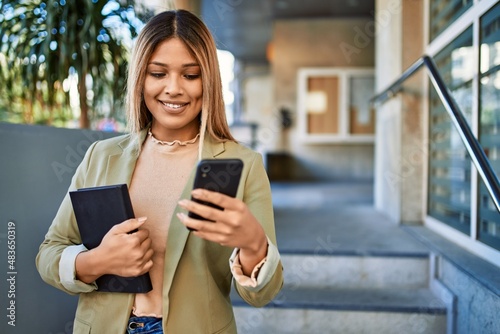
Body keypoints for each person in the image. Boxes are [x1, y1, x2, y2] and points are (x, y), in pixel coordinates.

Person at [36, 9, 283, 334]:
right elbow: (49, 252)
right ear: (141, 77)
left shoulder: (243, 164)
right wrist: (96, 262)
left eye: (190, 75)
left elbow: (261, 294)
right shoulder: (102, 155)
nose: (174, 88)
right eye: (158, 73)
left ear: (207, 80)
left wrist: (254, 246)